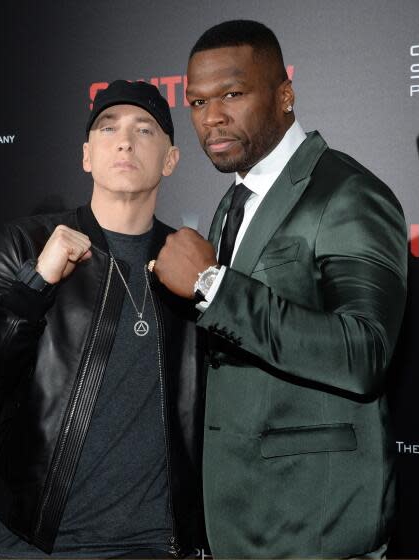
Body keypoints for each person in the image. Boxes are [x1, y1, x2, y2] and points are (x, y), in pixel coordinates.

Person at [151, 20, 408, 558]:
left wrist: (211, 284)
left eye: (232, 94)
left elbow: (365, 352)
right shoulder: (233, 202)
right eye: (197, 103)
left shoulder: (347, 192)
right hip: (238, 522)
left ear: (285, 95)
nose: (211, 117)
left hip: (316, 527)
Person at [0, 80, 205, 559]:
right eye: (109, 128)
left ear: (170, 160)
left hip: (155, 548)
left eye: (145, 129)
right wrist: (36, 284)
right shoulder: (27, 243)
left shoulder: (191, 262)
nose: (125, 140)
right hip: (35, 547)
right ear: (87, 156)